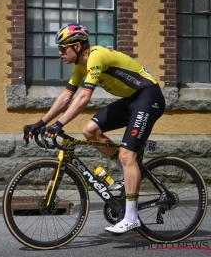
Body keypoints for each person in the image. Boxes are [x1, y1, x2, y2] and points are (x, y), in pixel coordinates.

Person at [23, 23, 166, 234]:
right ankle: (125, 173)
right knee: (90, 130)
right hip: (132, 99)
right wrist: (41, 123)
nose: (60, 53)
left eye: (64, 48)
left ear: (78, 46)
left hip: (149, 97)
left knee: (128, 155)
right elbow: (66, 96)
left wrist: (60, 124)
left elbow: (83, 97)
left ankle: (131, 217)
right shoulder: (80, 66)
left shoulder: (96, 56)